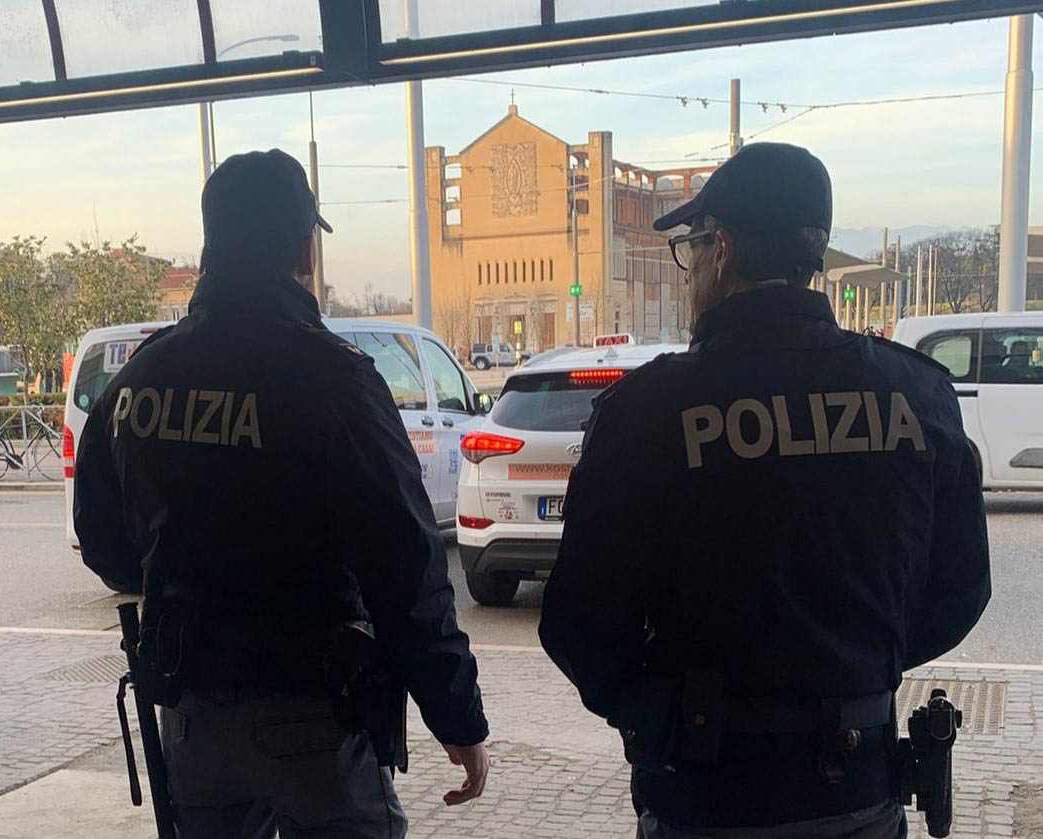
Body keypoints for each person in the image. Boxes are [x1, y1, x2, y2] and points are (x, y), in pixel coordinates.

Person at [538, 142, 990, 838]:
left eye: (690, 249)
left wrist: (658, 709)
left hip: (705, 795)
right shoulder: (915, 393)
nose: (689, 273)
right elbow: (960, 588)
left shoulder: (649, 410)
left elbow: (577, 620)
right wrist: (852, 666)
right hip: (858, 793)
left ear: (721, 249)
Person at [74, 149, 490, 838]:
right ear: (304, 247)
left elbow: (106, 545)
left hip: (190, 715)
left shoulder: (139, 380)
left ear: (210, 244)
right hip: (311, 711)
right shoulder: (333, 379)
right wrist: (456, 715)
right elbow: (406, 566)